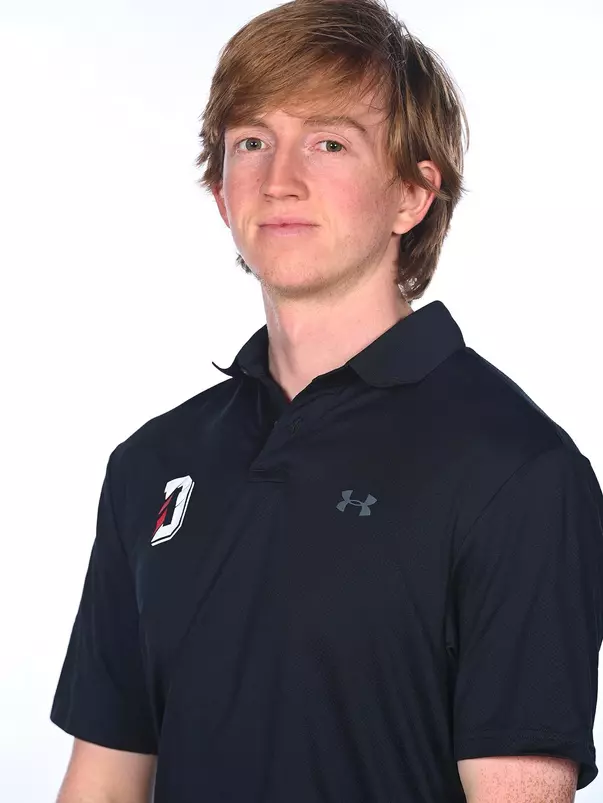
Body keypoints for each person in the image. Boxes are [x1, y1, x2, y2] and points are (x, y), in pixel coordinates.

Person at [50, 1, 603, 801]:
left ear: (411, 196)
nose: (279, 180)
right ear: (220, 192)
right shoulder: (151, 463)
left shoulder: (516, 472)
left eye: (329, 142)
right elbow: (102, 783)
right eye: (251, 142)